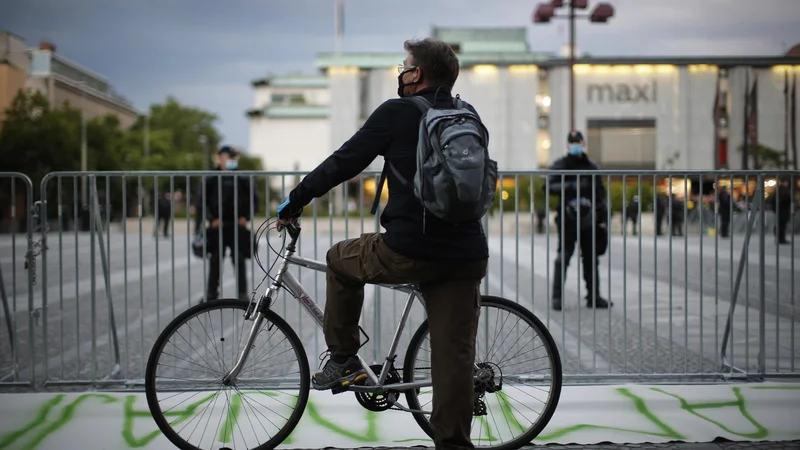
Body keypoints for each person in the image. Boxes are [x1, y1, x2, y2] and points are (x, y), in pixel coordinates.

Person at [276, 37, 489, 450]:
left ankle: (342, 359)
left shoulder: (397, 112)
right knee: (455, 360)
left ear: (418, 74)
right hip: (466, 255)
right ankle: (454, 445)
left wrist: (295, 200)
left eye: (405, 65)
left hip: (409, 250)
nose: (401, 71)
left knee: (339, 258)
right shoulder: (468, 114)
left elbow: (344, 161)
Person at [546, 130, 612, 311]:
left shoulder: (591, 166)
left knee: (591, 258)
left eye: (578, 141)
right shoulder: (561, 164)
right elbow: (549, 186)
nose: (575, 144)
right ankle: (557, 298)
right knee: (563, 257)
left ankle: (594, 296)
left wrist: (602, 219)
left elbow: (601, 195)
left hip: (589, 220)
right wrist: (572, 185)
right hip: (567, 219)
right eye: (572, 141)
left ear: (583, 143)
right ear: (568, 144)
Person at [200, 146, 256, 303]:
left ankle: (243, 294)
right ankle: (211, 294)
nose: (228, 161)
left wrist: (246, 217)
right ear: (219, 157)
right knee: (215, 260)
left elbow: (253, 199)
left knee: (239, 259)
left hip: (237, 225)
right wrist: (212, 219)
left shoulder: (242, 177)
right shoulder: (211, 177)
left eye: (231, 158)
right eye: (225, 157)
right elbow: (202, 201)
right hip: (217, 226)